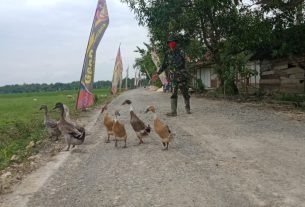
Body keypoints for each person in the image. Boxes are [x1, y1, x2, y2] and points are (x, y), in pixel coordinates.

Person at [152, 34, 191, 116]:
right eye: (170, 42)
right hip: (173, 77)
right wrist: (157, 74)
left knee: (185, 93)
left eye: (173, 42)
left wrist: (188, 58)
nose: (171, 43)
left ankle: (187, 108)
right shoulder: (167, 54)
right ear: (168, 43)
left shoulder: (181, 51)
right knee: (173, 93)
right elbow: (163, 65)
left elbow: (187, 58)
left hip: (182, 76)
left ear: (175, 43)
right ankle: (173, 111)